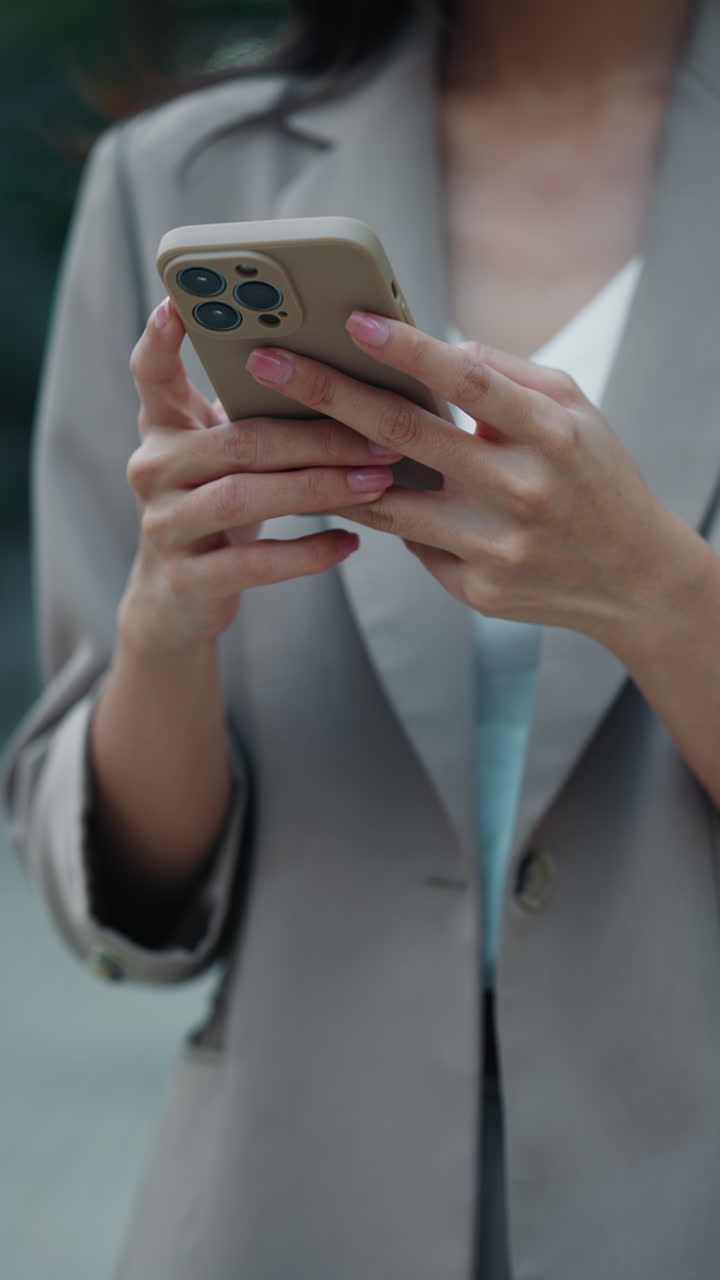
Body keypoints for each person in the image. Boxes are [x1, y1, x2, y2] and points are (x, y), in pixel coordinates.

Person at [4, 0, 720, 1274]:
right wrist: (168, 625)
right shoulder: (183, 176)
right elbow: (129, 902)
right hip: (293, 1199)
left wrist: (656, 592)